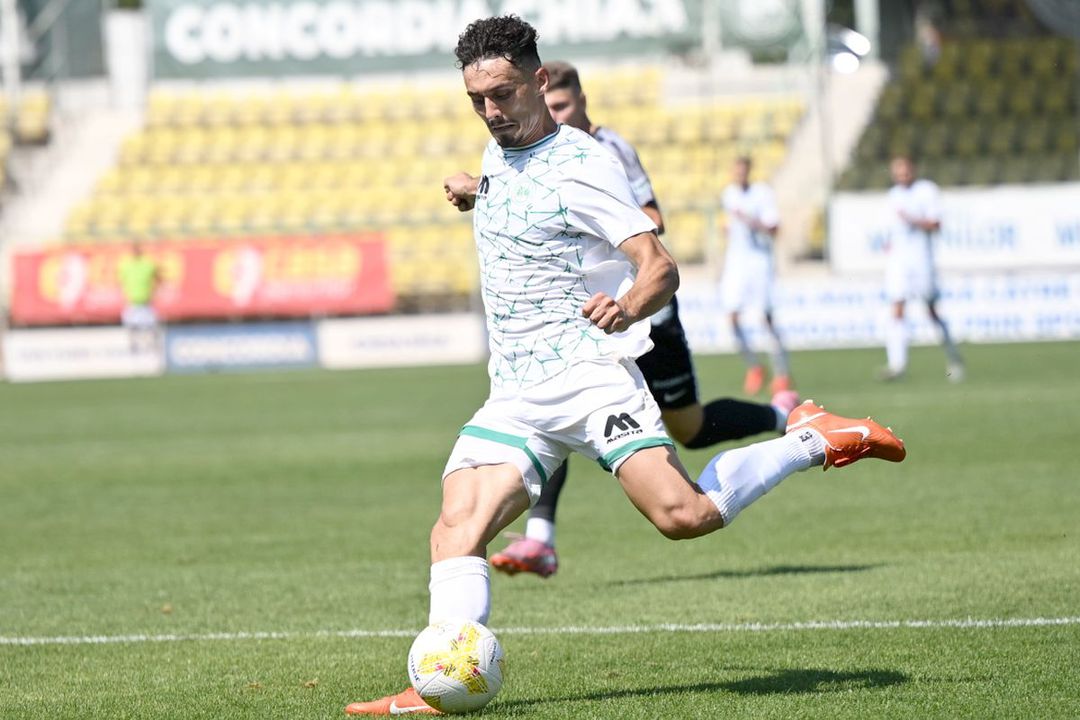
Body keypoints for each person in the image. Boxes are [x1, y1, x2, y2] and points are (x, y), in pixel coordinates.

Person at [345, 16, 905, 716]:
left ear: (538, 82)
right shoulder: (499, 152)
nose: (491, 111)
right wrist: (477, 193)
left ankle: (812, 438)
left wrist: (628, 305)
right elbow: (529, 210)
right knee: (455, 529)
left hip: (588, 377)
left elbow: (659, 266)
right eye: (477, 99)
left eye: (504, 94)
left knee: (684, 515)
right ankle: (439, 684)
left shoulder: (584, 165)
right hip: (516, 392)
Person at [480, 59, 800, 578]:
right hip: (586, 322)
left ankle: (783, 419)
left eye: (562, 105)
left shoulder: (607, 150)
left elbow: (652, 219)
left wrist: (601, 219)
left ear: (581, 101)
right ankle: (541, 540)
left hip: (643, 315)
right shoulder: (533, 157)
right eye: (549, 106)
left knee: (690, 428)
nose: (555, 114)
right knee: (550, 409)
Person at [882, 155, 964, 382]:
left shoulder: (926, 191)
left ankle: (954, 358)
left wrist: (912, 220)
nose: (902, 176)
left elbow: (936, 224)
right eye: (897, 173)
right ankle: (897, 365)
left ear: (913, 170)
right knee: (897, 307)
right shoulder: (893, 195)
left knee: (932, 311)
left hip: (921, 261)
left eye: (905, 171)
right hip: (899, 262)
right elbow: (892, 229)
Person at [720, 156, 791, 396]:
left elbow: (774, 229)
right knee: (732, 317)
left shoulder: (762, 193)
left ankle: (781, 373)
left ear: (749, 171)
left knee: (766, 318)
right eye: (736, 171)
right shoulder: (729, 194)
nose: (739, 175)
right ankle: (754, 366)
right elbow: (730, 226)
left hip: (760, 262)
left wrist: (752, 221)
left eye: (743, 171)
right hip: (736, 262)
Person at [117, 242, 161, 353]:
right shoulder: (125, 265)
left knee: (152, 327)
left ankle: (153, 348)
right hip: (132, 303)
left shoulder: (148, 264)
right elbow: (120, 281)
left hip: (146, 302)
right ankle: (133, 349)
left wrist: (154, 291)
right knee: (131, 328)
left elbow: (158, 278)